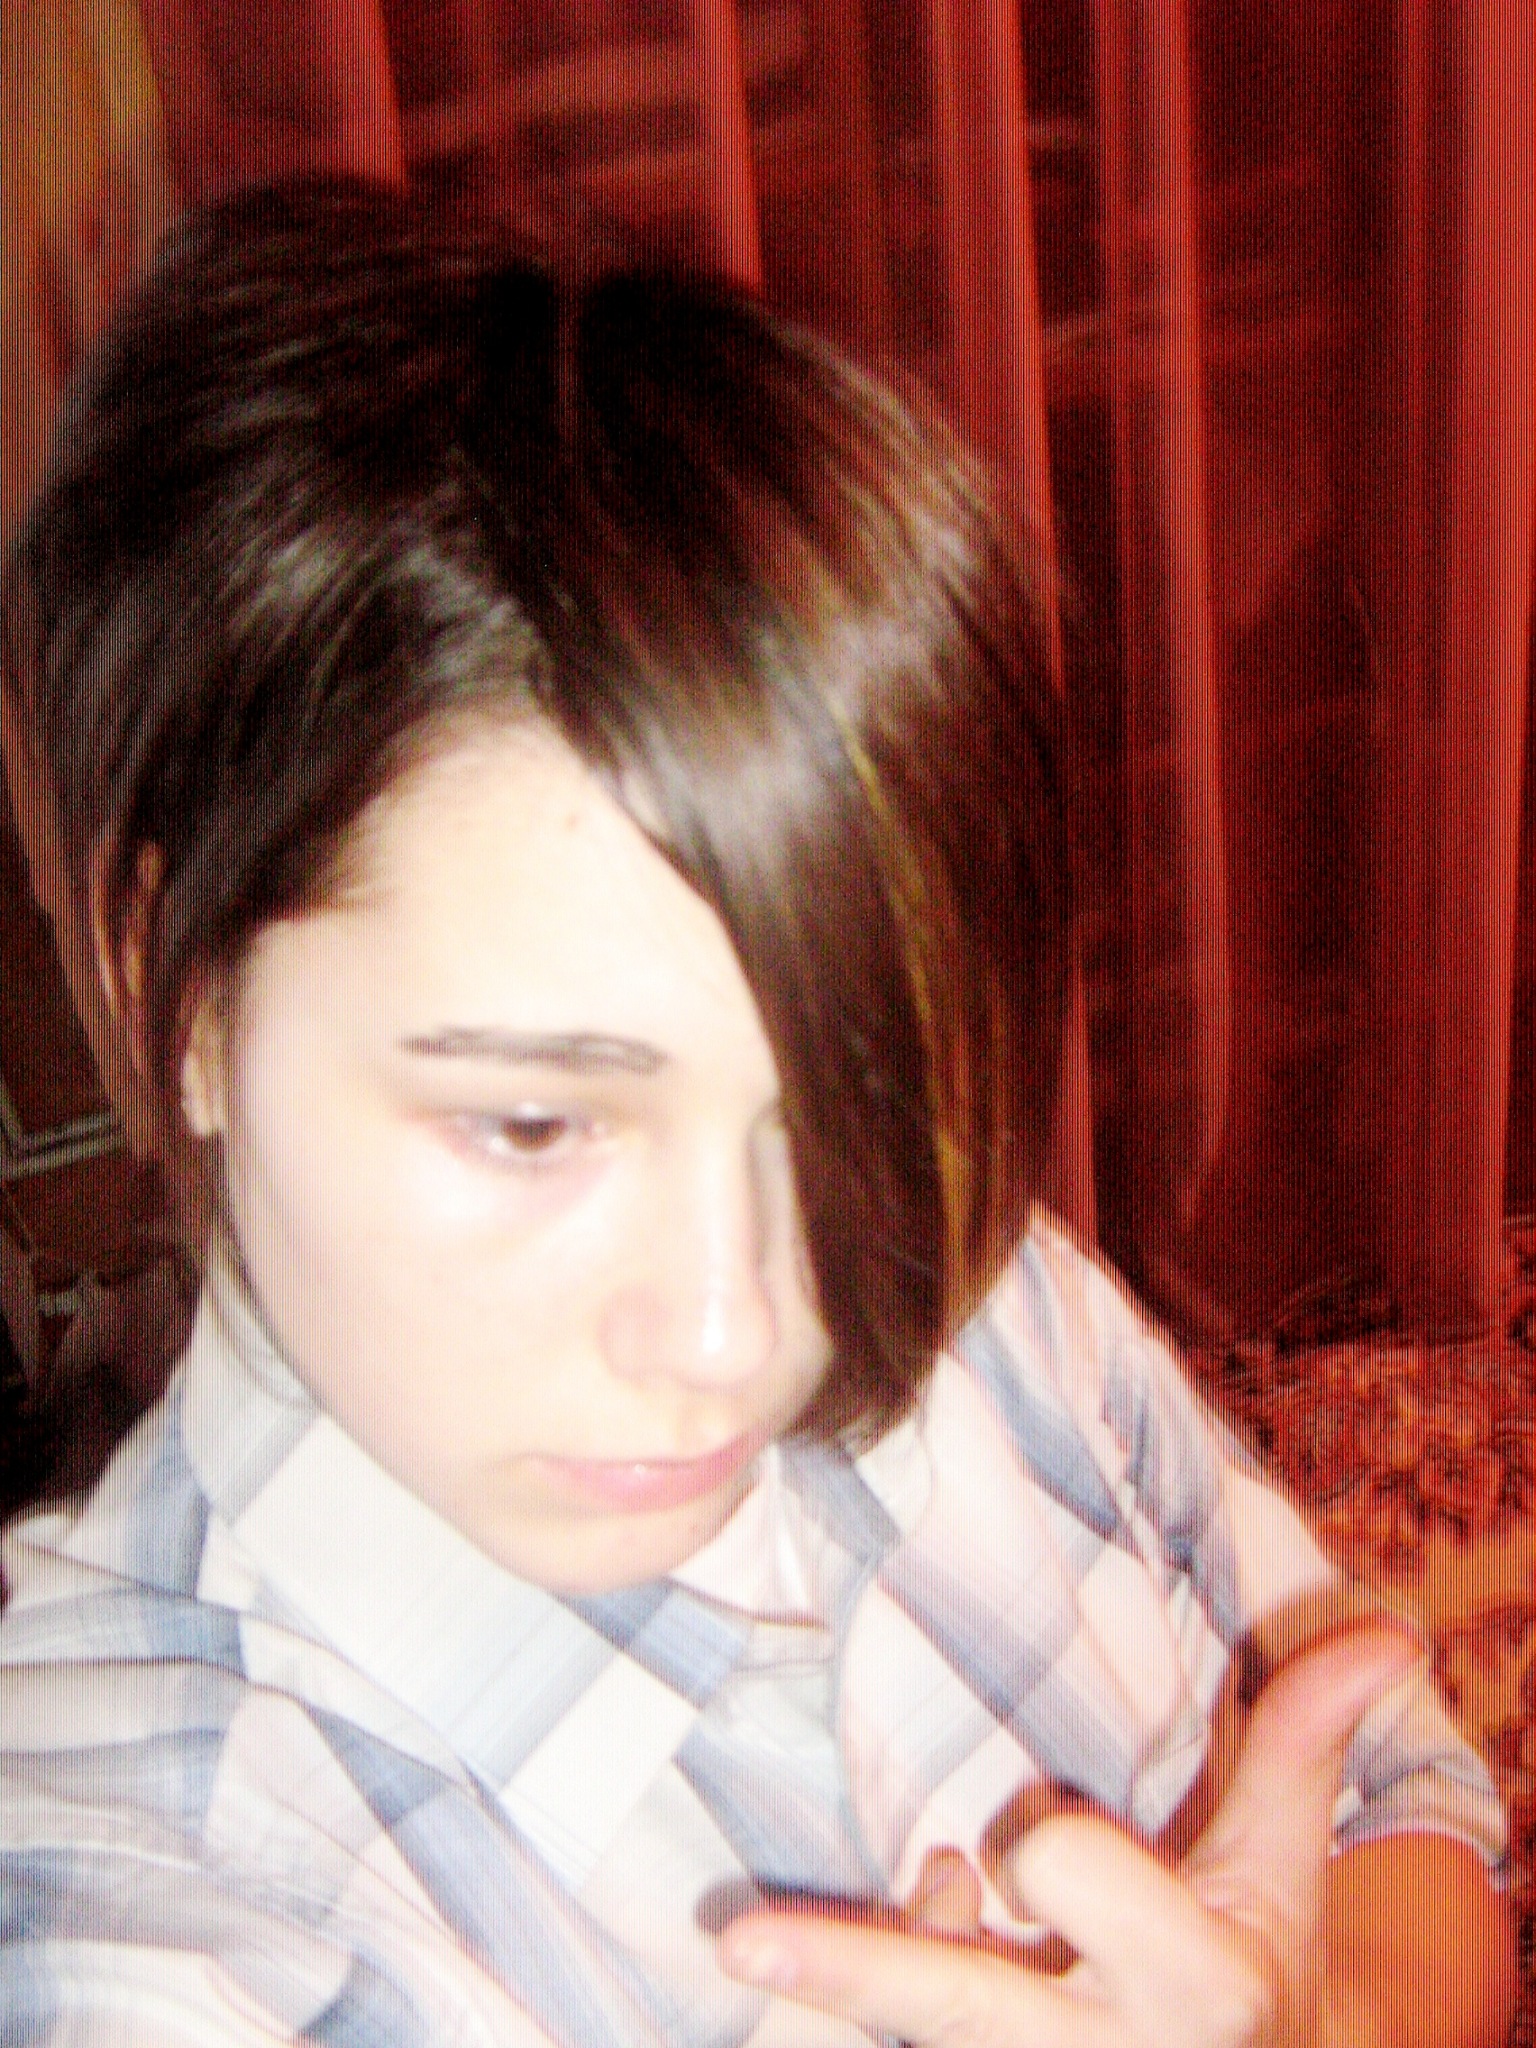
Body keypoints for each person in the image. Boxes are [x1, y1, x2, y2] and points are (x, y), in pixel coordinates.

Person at [0, 177, 1515, 2048]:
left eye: (842, 1090)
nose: (753, 1338)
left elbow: (1409, 1803)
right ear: (184, 1000)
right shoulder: (138, 1937)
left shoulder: (984, 1303)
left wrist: (1321, 2012)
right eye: (535, 1128)